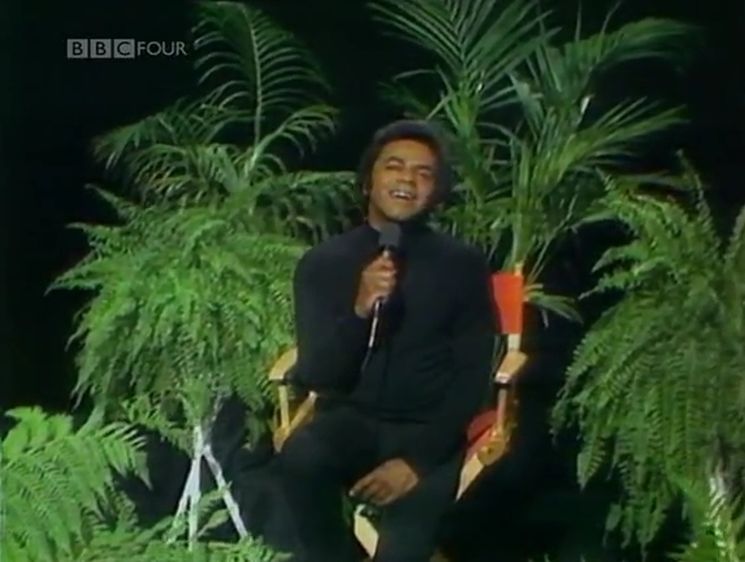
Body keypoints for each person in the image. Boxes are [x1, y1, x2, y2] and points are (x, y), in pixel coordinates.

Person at [279, 120, 496, 562]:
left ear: (436, 192)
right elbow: (318, 373)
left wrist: (417, 462)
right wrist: (360, 308)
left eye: (423, 173)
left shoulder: (463, 265)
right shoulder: (323, 263)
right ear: (368, 181)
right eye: (394, 166)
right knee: (301, 457)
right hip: (349, 420)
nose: (407, 180)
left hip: (428, 430)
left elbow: (473, 374)